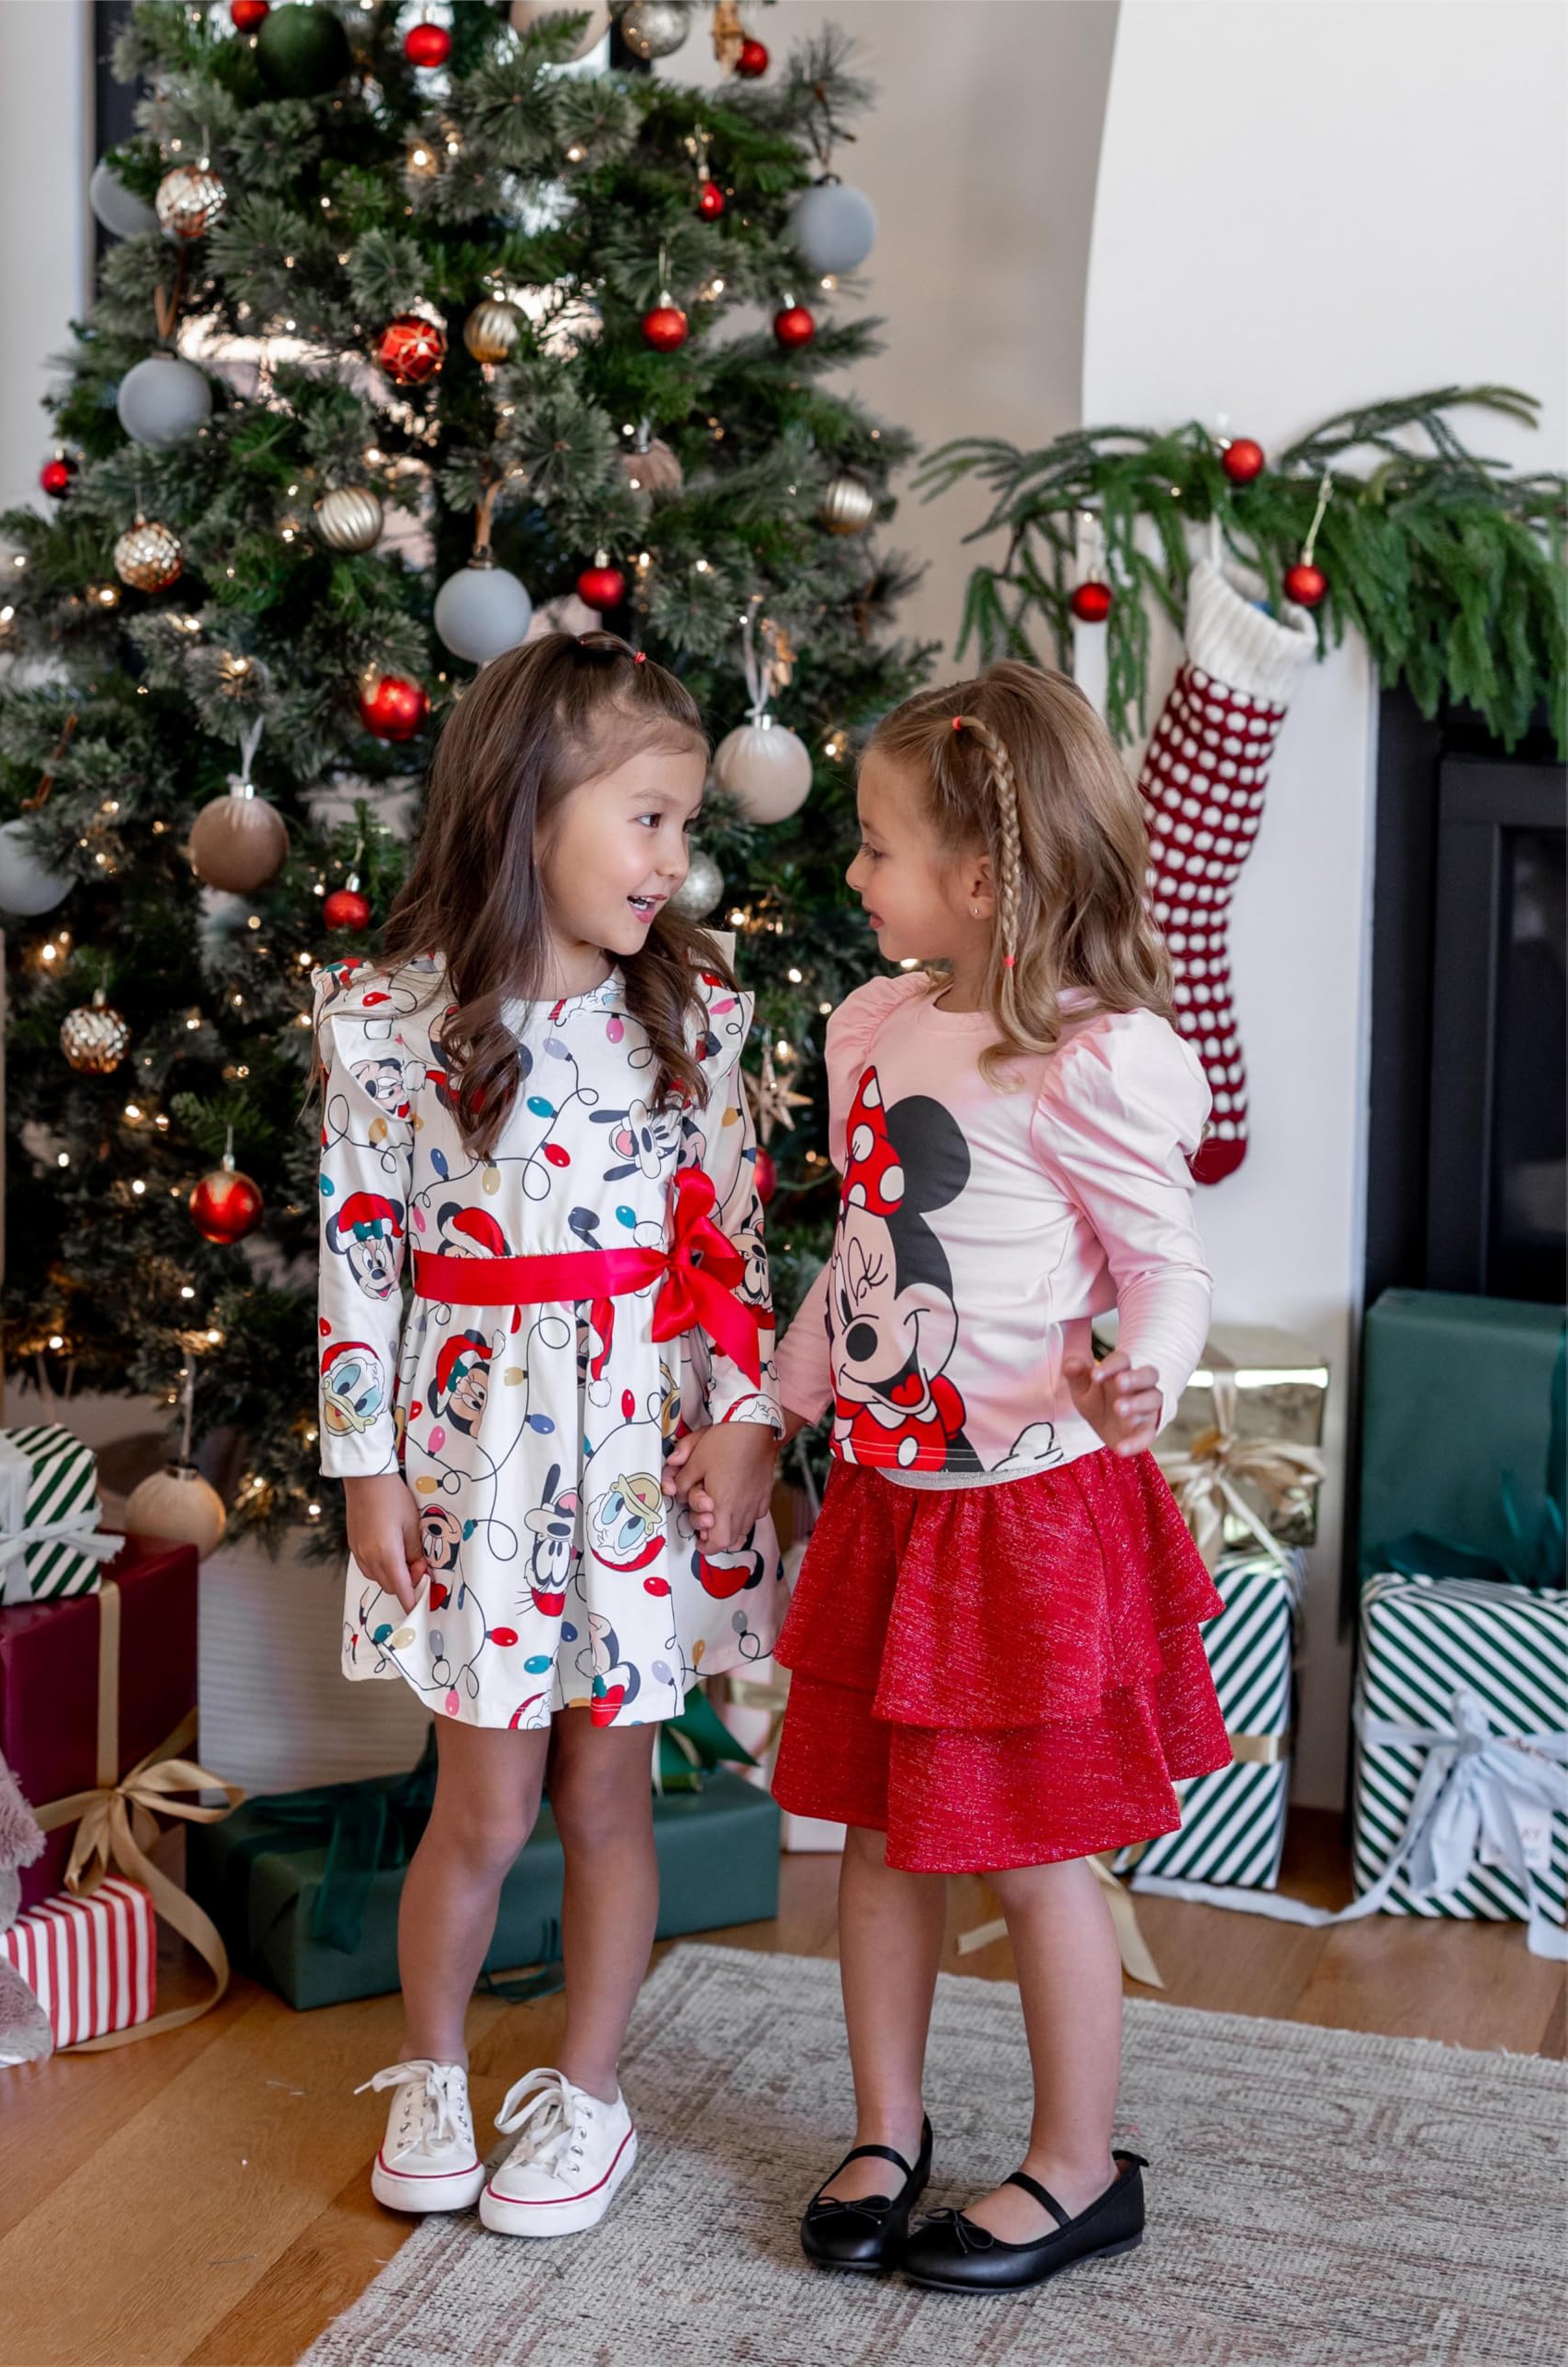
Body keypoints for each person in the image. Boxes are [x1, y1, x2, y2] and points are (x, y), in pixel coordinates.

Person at [716, 661, 1230, 2292]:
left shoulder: (1084, 1058)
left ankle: (1079, 2167)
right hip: (893, 1512)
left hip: (1029, 1521)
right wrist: (771, 1411)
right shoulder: (875, 1030)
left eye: (876, 847)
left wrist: (1143, 1375)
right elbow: (859, 1260)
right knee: (879, 1833)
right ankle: (888, 2127)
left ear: (986, 876)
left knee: (1032, 1848)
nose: (852, 872)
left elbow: (1164, 1265)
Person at [315, 632, 784, 2239]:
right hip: (478, 1460)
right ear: (527, 809)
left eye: (683, 825)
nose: (673, 860)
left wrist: (745, 1427)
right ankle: (433, 2075)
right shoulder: (386, 1021)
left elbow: (730, 1241)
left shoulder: (693, 1016)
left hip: (638, 1452)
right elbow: (359, 1260)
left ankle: (588, 2094)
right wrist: (366, 1469)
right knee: (484, 1807)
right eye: (646, 819)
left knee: (606, 1798)